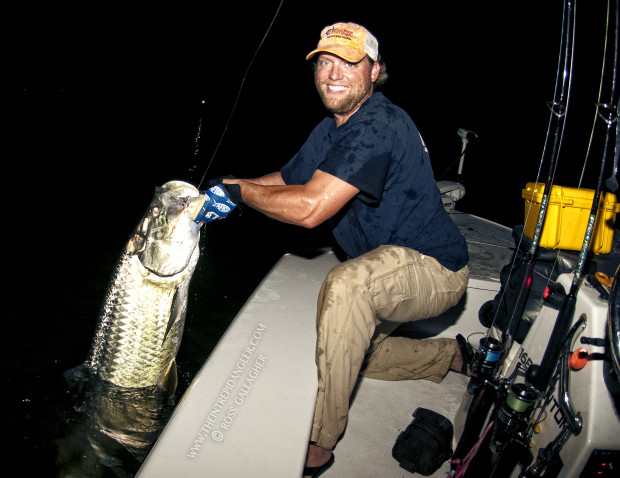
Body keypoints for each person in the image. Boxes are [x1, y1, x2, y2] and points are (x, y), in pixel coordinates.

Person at [194, 21, 470, 478]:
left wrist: (241, 194)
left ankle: (321, 443)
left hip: (434, 267)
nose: (333, 73)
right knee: (347, 348)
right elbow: (288, 179)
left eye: (348, 61)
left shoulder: (377, 123)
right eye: (324, 61)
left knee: (347, 288)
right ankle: (452, 357)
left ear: (374, 70)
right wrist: (223, 190)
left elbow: (308, 208)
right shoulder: (331, 128)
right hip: (384, 265)